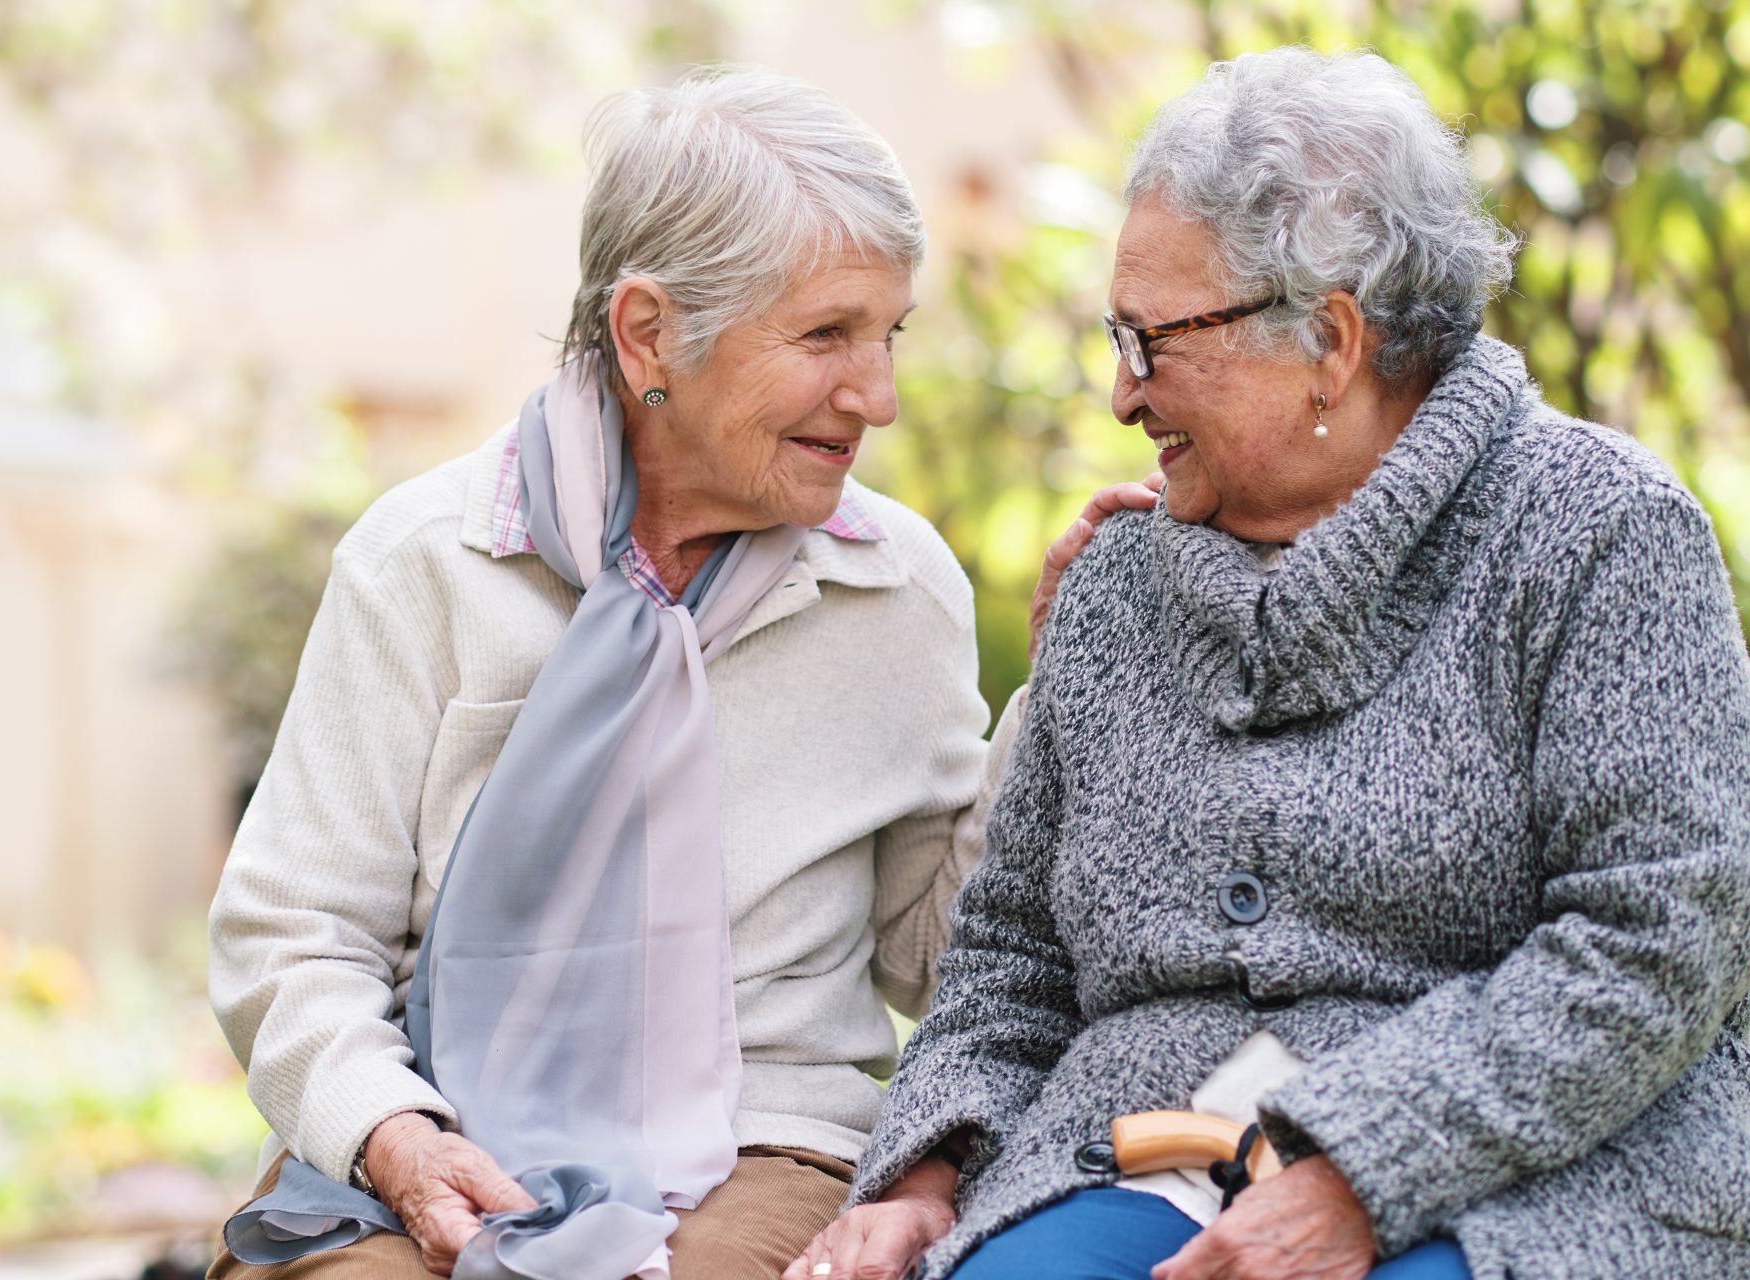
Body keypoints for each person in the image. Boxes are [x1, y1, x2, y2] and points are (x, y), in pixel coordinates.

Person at [793, 47, 1750, 1280]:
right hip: (1133, 1149)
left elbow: (1661, 933)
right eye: (1112, 338)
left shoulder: (1600, 532)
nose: (1122, 393)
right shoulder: (1120, 582)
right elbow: (1013, 951)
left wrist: (1362, 1165)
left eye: (1150, 341)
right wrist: (921, 1179)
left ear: (1330, 342)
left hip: (1530, 1167)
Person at [203, 67, 1153, 1280]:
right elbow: (294, 931)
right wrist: (395, 1135)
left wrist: (1059, 690)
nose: (879, 395)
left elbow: (938, 954)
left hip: (767, 1142)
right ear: (650, 332)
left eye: (887, 333)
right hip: (433, 1127)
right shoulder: (424, 563)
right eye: (825, 335)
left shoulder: (895, 588)